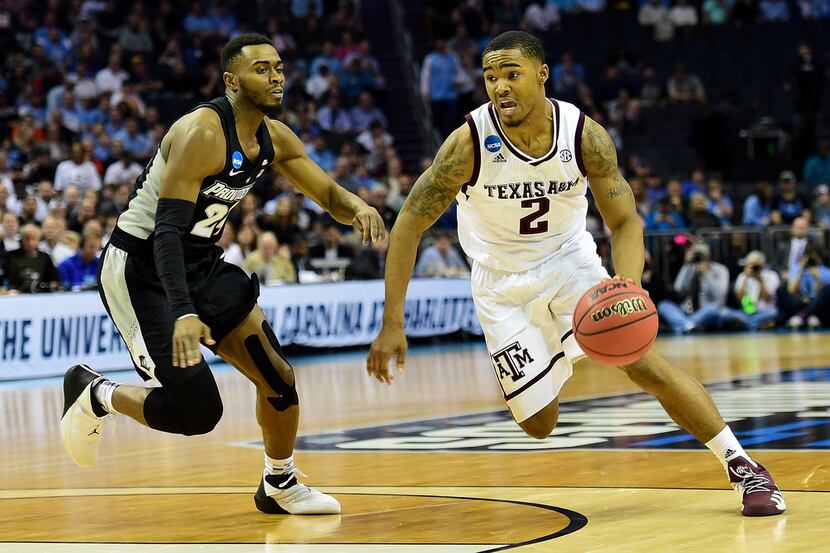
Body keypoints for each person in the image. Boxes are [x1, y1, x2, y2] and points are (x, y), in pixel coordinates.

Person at [366, 31, 785, 517]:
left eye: (511, 74)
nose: (499, 86)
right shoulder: (466, 146)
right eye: (490, 76)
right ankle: (555, 357)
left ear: (542, 74)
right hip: (501, 286)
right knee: (540, 424)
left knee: (642, 360)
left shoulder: (584, 135)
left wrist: (627, 287)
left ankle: (743, 466)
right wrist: (392, 322)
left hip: (570, 264)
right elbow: (409, 225)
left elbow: (626, 221)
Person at [59, 35, 385, 516]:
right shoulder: (202, 133)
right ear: (232, 81)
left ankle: (280, 482)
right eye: (261, 69)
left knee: (277, 375)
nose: (275, 76)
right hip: (143, 267)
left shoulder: (275, 137)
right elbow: (165, 233)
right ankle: (97, 393)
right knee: (197, 413)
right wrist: (185, 312)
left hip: (200, 262)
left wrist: (358, 206)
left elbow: (330, 195)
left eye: (279, 67)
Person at [657, 242, 731, 333]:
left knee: (715, 309)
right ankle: (688, 325)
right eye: (696, 256)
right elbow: (678, 289)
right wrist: (686, 265)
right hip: (686, 312)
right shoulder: (689, 268)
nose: (699, 259)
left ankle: (684, 325)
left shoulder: (720, 270)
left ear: (709, 257)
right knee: (663, 305)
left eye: (702, 256)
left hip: (707, 312)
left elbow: (720, 295)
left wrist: (706, 273)